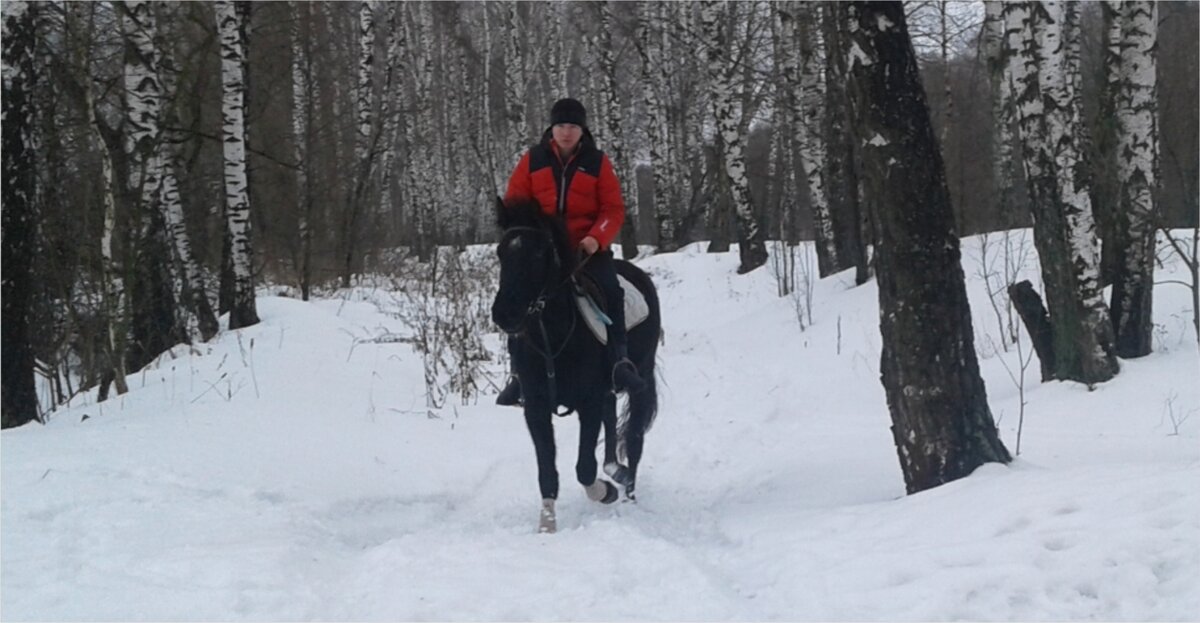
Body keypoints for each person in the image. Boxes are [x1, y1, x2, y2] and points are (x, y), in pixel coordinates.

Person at [496, 97, 644, 406]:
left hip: (586, 249)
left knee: (611, 291)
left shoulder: (598, 163)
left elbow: (613, 209)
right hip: (545, 251)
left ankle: (619, 362)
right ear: (552, 128)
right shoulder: (532, 160)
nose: (566, 132)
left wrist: (594, 239)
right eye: (561, 125)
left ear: (582, 130)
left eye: (573, 127)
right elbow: (515, 202)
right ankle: (517, 375)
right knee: (518, 294)